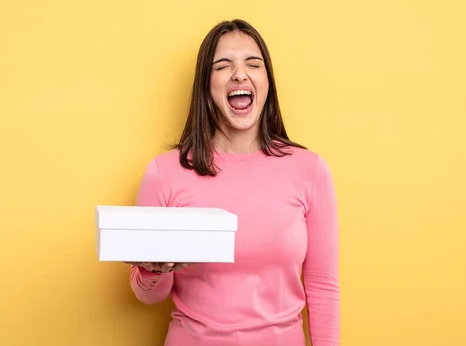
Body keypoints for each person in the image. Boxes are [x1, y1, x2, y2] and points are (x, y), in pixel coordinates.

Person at [127, 19, 340, 346]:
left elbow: (323, 287)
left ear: (266, 81)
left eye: (253, 64)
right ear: (206, 85)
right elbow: (148, 296)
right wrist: (155, 270)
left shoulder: (309, 170)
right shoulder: (164, 173)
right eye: (223, 66)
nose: (240, 74)